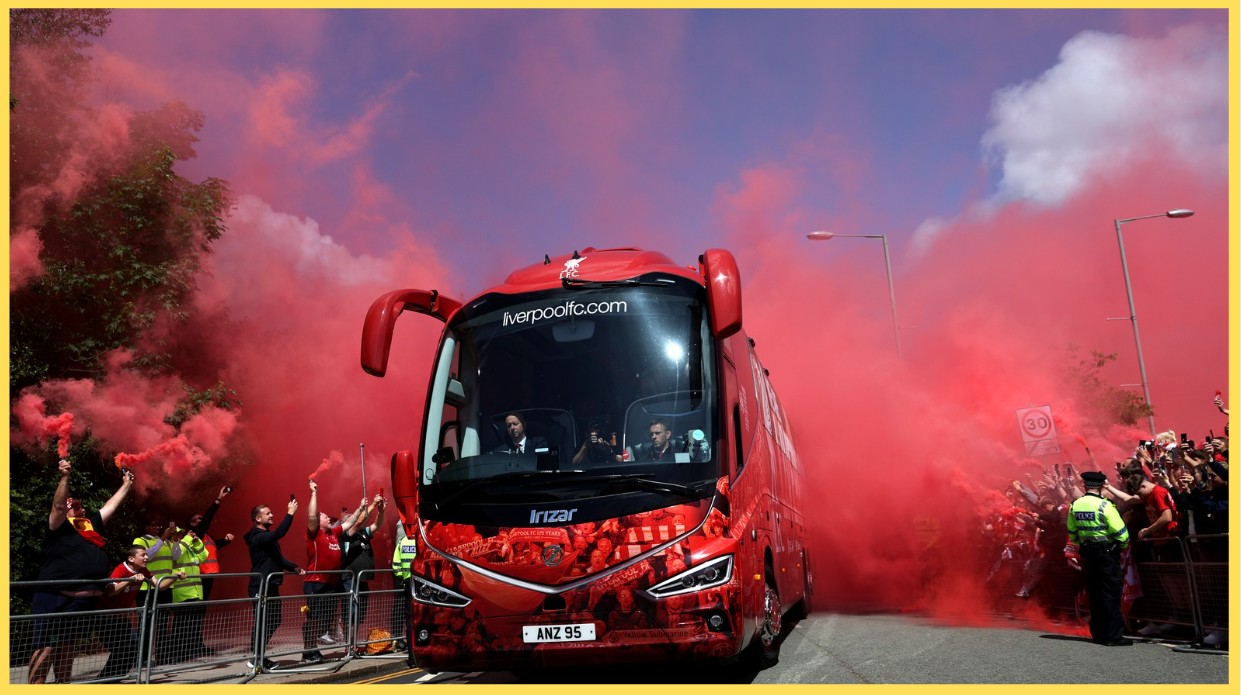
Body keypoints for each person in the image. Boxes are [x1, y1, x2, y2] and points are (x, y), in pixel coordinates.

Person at [27, 460, 134, 684]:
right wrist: (65, 477)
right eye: (75, 506)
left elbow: (110, 506)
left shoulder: (90, 526)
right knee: (46, 647)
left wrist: (126, 484)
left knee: (66, 647)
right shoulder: (59, 526)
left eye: (81, 506)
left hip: (80, 603)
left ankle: (63, 686)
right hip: (55, 597)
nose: (82, 508)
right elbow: (57, 507)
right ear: (67, 510)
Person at [1065, 470, 1132, 646]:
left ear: (1085, 485)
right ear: (1102, 486)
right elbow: (1121, 533)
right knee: (1111, 594)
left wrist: (1082, 543)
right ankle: (1114, 636)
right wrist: (1122, 546)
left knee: (1095, 594)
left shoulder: (1075, 505)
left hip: (1088, 554)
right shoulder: (1105, 505)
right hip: (1107, 554)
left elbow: (1072, 532)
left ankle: (1099, 634)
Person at [96, 545, 179, 680]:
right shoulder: (121, 569)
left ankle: (115, 677)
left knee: (134, 646)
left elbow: (160, 586)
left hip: (122, 617)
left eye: (146, 555)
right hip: (106, 618)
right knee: (120, 649)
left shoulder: (143, 570)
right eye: (143, 555)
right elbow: (111, 592)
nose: (146, 557)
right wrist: (130, 580)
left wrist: (175, 576)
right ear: (131, 558)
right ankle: (105, 679)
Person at [244, 496, 304, 672]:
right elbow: (279, 533)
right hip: (260, 586)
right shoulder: (256, 536)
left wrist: (293, 567)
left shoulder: (267, 539)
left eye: (271, 513)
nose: (272, 515)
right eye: (267, 513)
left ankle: (259, 655)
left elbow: (277, 558)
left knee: (274, 619)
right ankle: (256, 658)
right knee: (262, 621)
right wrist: (290, 514)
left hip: (271, 585)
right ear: (258, 519)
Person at [301, 478, 351, 664]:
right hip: (315, 582)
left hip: (330, 583)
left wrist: (365, 508)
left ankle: (313, 650)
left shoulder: (333, 533)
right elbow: (312, 517)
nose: (328, 518)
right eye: (325, 517)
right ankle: (308, 652)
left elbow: (350, 523)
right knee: (313, 618)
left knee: (324, 618)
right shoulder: (314, 533)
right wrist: (314, 492)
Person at [341, 492, 385, 654]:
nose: (353, 519)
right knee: (351, 611)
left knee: (360, 612)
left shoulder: (363, 534)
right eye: (349, 519)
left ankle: (352, 643)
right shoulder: (345, 536)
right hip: (350, 578)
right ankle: (348, 645)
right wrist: (372, 505)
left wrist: (381, 512)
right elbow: (358, 523)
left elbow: (376, 525)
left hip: (363, 579)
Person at [167, 527, 209, 662]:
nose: (180, 535)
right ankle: (175, 653)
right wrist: (187, 539)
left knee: (192, 625)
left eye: (181, 533)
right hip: (182, 592)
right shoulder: (172, 546)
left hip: (195, 591)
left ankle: (187, 652)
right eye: (177, 533)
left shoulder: (187, 546)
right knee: (181, 626)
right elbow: (176, 555)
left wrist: (197, 542)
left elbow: (203, 557)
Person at [187, 485, 234, 601]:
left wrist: (225, 540)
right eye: (199, 519)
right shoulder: (196, 533)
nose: (202, 520)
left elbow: (215, 546)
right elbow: (207, 520)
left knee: (203, 604)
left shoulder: (206, 536)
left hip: (208, 574)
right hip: (200, 574)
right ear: (192, 523)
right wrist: (218, 499)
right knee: (197, 605)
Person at [389, 520, 416, 652]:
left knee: (406, 613)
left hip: (405, 579)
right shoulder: (404, 529)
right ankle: (399, 639)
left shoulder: (403, 539)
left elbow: (396, 560)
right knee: (407, 613)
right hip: (410, 580)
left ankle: (401, 640)